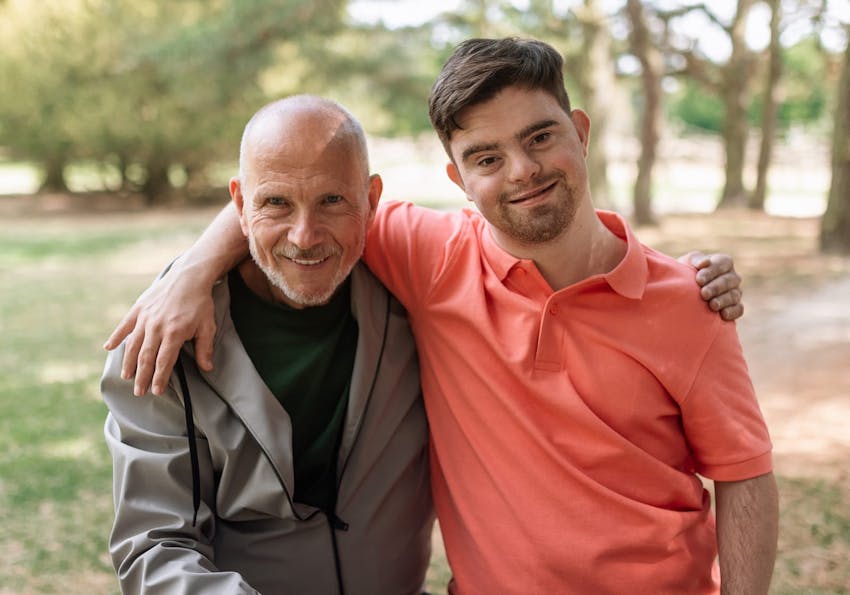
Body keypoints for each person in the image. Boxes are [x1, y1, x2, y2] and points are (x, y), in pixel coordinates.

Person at [104, 39, 773, 594]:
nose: (523, 171)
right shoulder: (432, 259)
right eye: (487, 157)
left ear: (581, 130)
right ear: (458, 179)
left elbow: (745, 473)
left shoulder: (690, 300)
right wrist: (189, 272)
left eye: (541, 136)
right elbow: (291, 191)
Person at [102, 96, 434, 594]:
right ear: (239, 203)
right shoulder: (162, 340)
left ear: (371, 199)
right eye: (276, 202)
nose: (304, 237)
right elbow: (154, 548)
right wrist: (190, 271)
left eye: (332, 201)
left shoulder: (418, 291)